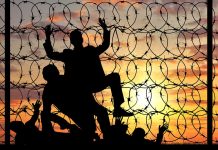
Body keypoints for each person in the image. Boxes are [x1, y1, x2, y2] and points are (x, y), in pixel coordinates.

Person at [43, 18, 133, 117]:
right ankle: (117, 108)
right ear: (81, 39)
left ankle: (117, 109)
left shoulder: (70, 54)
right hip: (92, 84)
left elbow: (51, 54)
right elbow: (105, 45)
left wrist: (47, 37)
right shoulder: (89, 51)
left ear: (72, 41)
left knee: (113, 79)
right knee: (114, 77)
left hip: (80, 88)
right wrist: (105, 30)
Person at [42, 64, 111, 142]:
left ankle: (105, 137)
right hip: (79, 109)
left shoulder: (49, 90)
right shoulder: (50, 90)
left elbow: (46, 113)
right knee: (93, 124)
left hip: (83, 105)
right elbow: (46, 113)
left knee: (95, 121)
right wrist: (64, 123)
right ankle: (106, 138)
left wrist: (63, 123)